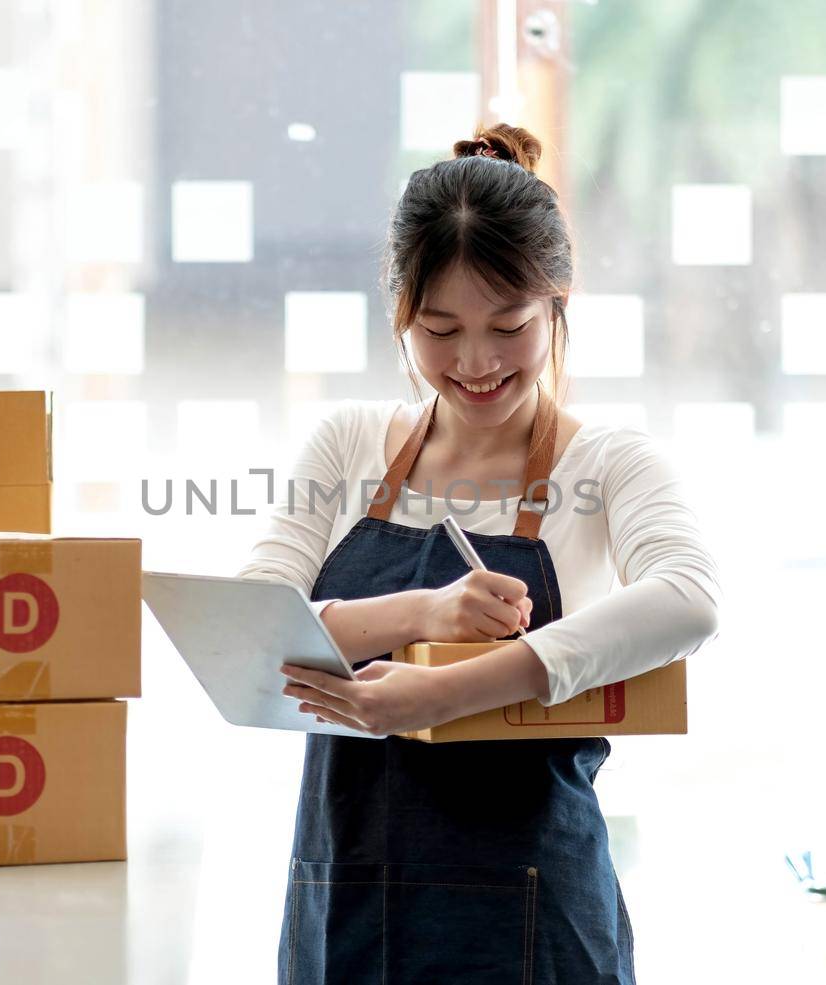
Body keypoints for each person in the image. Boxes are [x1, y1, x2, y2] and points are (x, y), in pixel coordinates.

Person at [237, 122, 722, 984]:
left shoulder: (609, 464)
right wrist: (424, 613)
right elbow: (245, 633)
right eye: (439, 328)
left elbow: (688, 599)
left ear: (558, 301)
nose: (476, 361)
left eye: (509, 325)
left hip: (535, 917)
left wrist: (447, 689)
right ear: (399, 316)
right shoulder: (347, 444)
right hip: (344, 899)